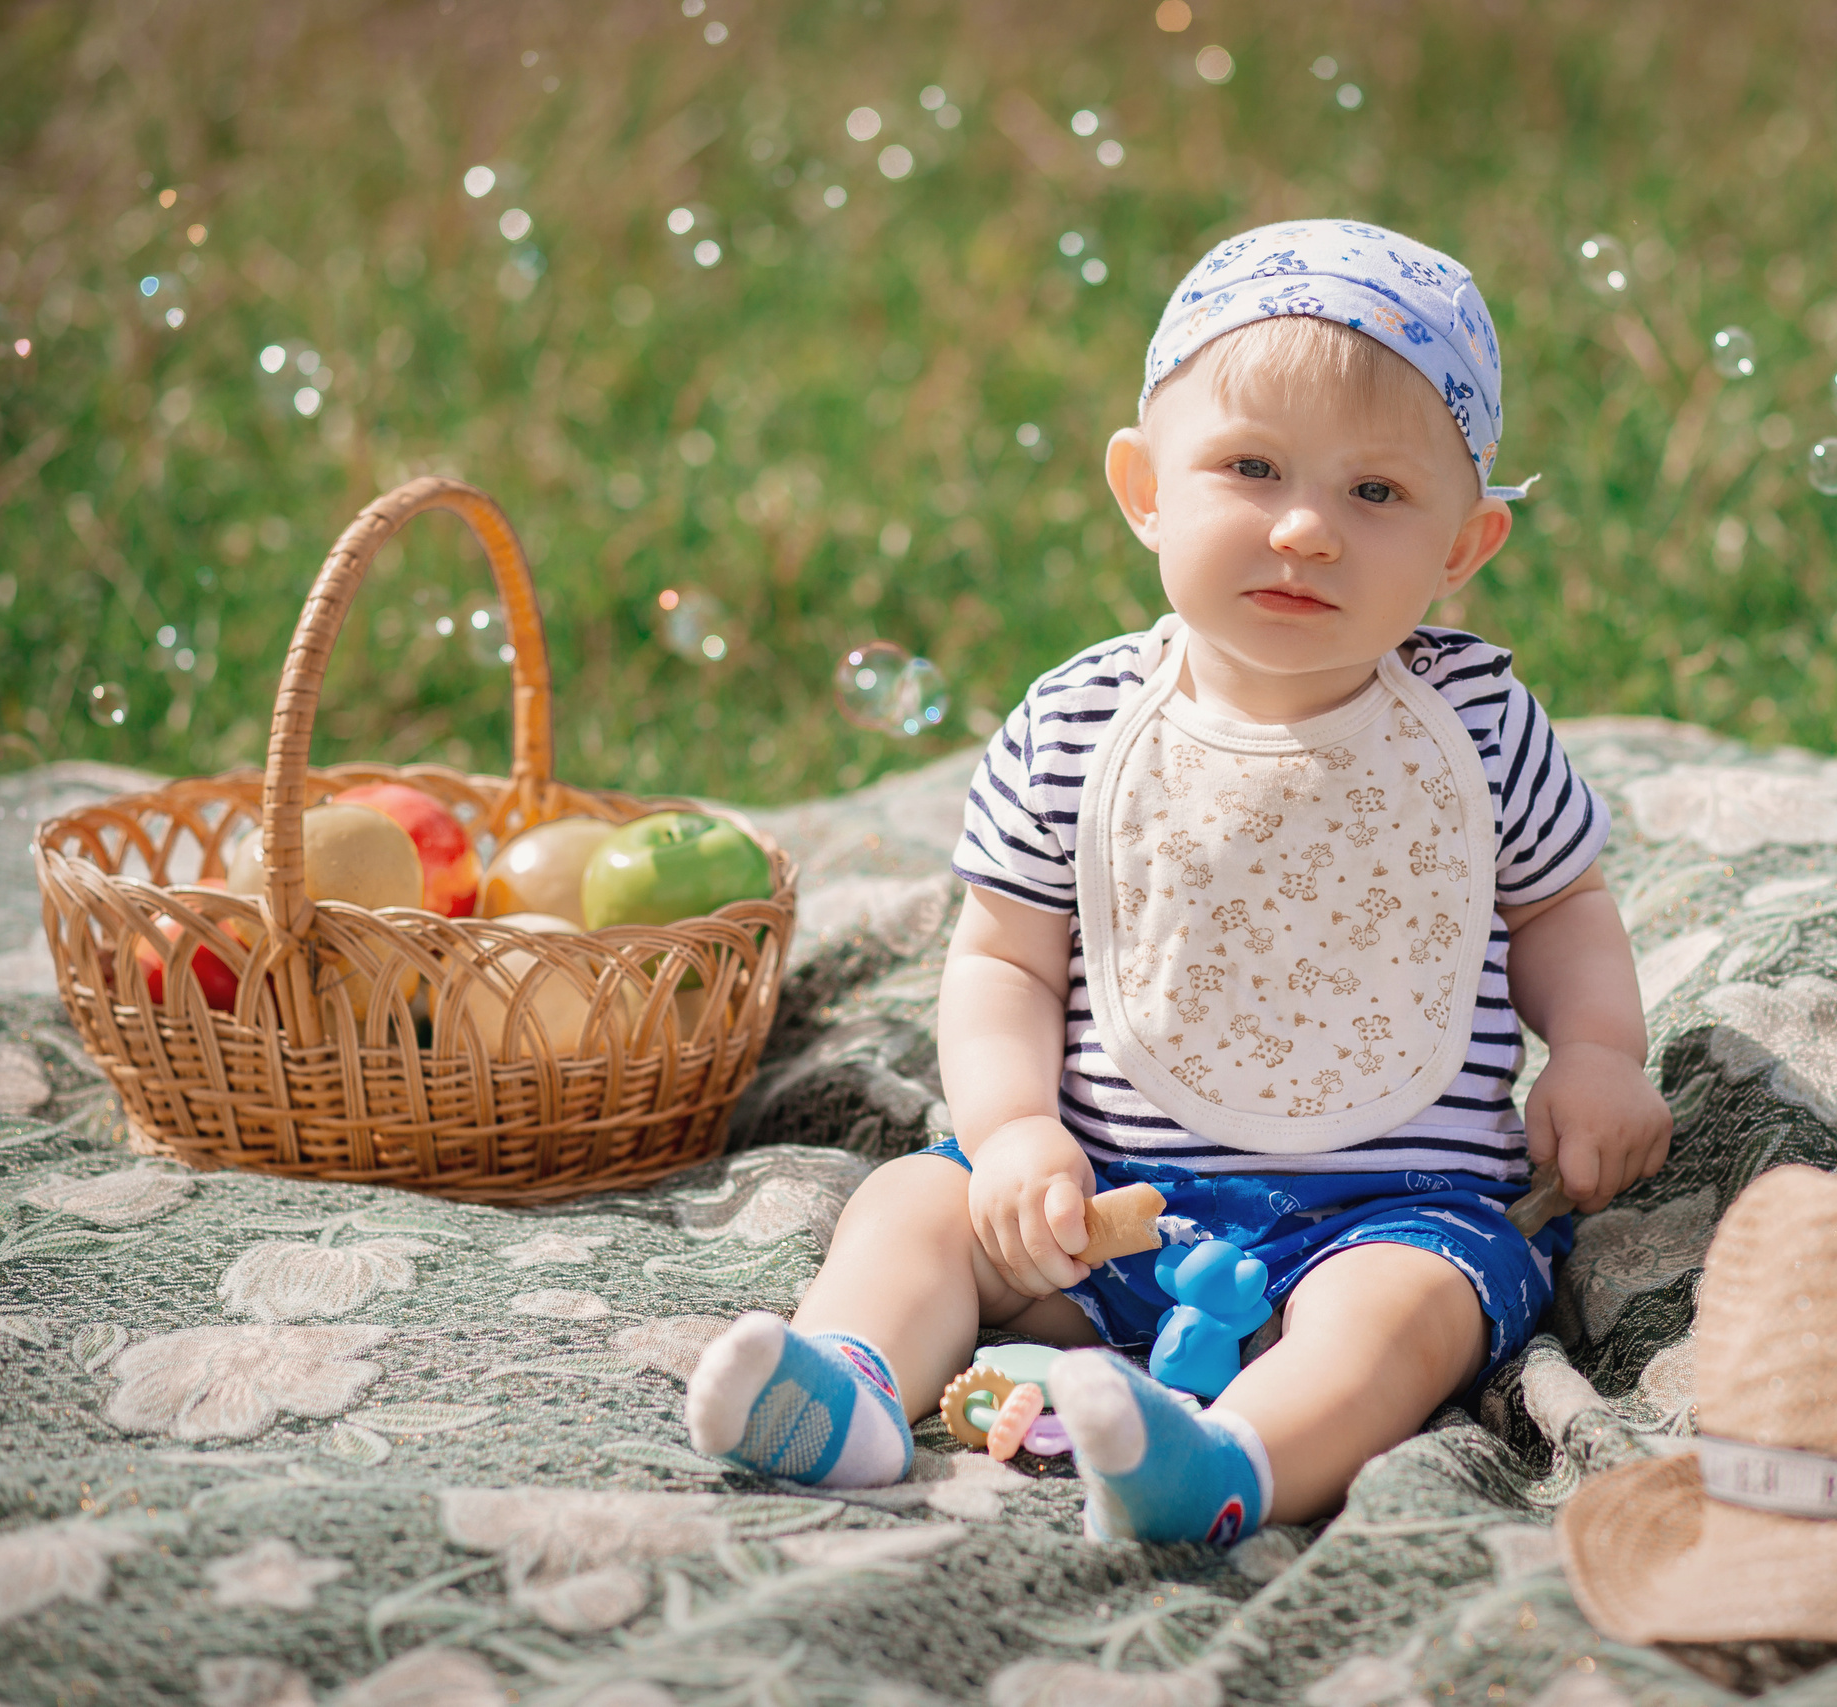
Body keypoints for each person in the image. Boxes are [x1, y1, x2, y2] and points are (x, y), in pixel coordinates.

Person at [684, 219, 1673, 1545]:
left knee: (1410, 1311)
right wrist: (1019, 1130)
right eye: (1251, 468)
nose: (1308, 528)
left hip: (1387, 1212)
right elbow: (1000, 960)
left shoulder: (1481, 730)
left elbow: (1561, 907)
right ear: (1147, 488)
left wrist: (1600, 1052)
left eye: (1377, 494)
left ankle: (1230, 1463)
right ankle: (853, 1389)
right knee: (916, 1202)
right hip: (1099, 1213)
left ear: (1463, 548)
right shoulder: (1083, 721)